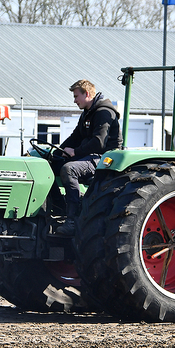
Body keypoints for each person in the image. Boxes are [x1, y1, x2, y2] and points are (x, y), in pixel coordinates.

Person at [54, 79, 122, 235]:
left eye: (76, 96)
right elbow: (75, 136)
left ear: (88, 94)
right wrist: (57, 152)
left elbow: (99, 143)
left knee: (69, 169)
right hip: (90, 155)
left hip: (105, 158)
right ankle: (57, 208)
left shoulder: (104, 112)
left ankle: (72, 218)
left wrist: (75, 152)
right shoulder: (87, 113)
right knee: (52, 165)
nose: (74, 100)